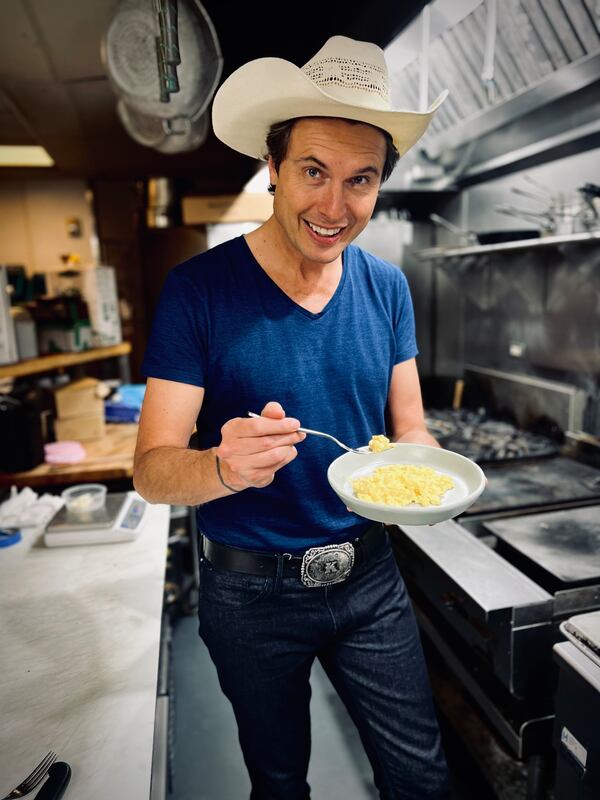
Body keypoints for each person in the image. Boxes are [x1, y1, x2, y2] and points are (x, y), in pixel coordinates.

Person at [134, 35, 450, 800]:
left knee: (423, 779)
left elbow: (411, 430)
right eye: (313, 171)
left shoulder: (387, 289)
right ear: (273, 168)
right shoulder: (199, 291)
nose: (334, 207)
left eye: (360, 180)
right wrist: (219, 466)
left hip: (369, 578)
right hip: (250, 594)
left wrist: (428, 476)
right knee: (279, 783)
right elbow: (150, 470)